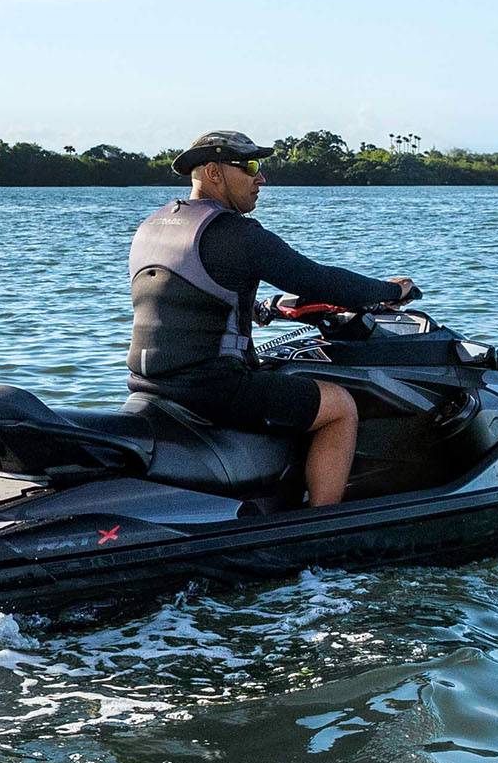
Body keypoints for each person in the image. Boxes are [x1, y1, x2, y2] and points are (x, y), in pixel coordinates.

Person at [128, 129, 417, 507]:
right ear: (214, 172)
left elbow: (185, 293)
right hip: (212, 389)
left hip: (148, 382)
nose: (260, 178)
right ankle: (322, 527)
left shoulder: (154, 225)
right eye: (249, 167)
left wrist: (263, 308)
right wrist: (392, 290)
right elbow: (321, 281)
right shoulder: (236, 233)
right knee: (340, 407)